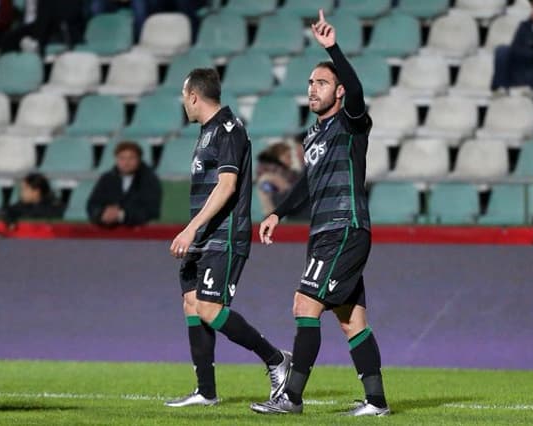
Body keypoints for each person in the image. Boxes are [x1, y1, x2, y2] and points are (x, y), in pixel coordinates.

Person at [250, 10, 390, 417]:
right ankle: (376, 402)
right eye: (311, 83)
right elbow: (307, 185)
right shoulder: (313, 134)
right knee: (351, 321)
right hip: (326, 230)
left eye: (322, 83)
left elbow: (359, 88)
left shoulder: (351, 122)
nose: (313, 89)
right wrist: (278, 212)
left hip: (344, 227)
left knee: (303, 304)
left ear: (340, 91)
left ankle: (291, 396)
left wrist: (332, 47)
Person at [163, 68, 291, 408]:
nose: (183, 103)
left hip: (224, 235)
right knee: (191, 303)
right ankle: (206, 391)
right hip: (203, 235)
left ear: (193, 96)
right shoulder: (207, 132)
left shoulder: (228, 129)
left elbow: (227, 186)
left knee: (209, 307)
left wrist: (190, 229)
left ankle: (276, 358)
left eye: (184, 96)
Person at [86, 141, 161, 227]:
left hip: (140, 233)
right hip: (107, 232)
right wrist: (101, 214)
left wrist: (122, 215)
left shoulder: (149, 180)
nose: (126, 162)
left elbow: (151, 210)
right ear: (116, 159)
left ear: (139, 159)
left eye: (131, 158)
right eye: (122, 158)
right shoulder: (107, 178)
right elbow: (93, 204)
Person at [255, 141, 306, 219]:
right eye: (287, 157)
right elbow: (276, 198)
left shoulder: (291, 175)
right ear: (277, 158)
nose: (291, 161)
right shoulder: (266, 179)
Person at [0, 172, 65, 225]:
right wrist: (9, 218)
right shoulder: (22, 204)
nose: (21, 193)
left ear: (36, 192)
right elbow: (5, 211)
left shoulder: (54, 206)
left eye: (24, 189)